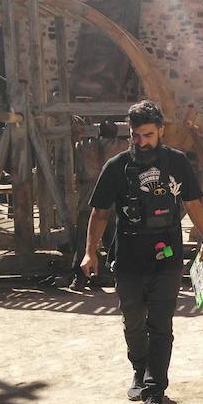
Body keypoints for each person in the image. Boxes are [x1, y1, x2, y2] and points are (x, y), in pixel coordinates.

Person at [80, 101, 203, 404]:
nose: (141, 141)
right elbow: (99, 212)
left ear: (161, 132)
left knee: (161, 325)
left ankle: (154, 395)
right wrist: (90, 250)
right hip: (127, 258)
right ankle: (139, 371)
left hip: (167, 257)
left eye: (147, 135)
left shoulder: (177, 163)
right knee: (133, 323)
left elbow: (193, 202)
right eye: (135, 135)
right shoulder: (117, 166)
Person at [65, 120, 129, 292]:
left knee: (84, 240)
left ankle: (79, 278)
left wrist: (77, 133)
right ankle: (119, 277)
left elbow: (77, 149)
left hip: (89, 196)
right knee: (114, 239)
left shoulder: (84, 146)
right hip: (113, 196)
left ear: (99, 132)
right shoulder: (122, 146)